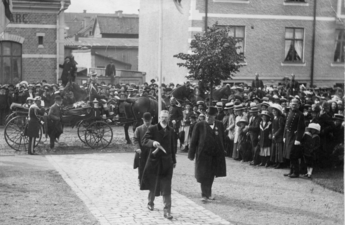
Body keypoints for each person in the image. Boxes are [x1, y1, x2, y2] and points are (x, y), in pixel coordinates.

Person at [141, 110, 176, 220]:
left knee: (166, 186)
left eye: (166, 117)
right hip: (155, 162)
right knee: (153, 184)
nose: (164, 119)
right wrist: (153, 143)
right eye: (162, 117)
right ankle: (150, 202)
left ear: (169, 118)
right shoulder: (153, 128)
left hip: (167, 163)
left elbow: (173, 147)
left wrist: (173, 160)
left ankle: (167, 211)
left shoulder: (171, 130)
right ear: (159, 118)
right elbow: (144, 140)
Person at [188, 106, 226, 202]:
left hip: (215, 155)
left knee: (211, 174)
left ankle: (208, 193)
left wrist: (223, 150)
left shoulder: (219, 125)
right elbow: (193, 141)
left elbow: (223, 138)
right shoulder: (199, 125)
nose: (208, 117)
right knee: (204, 174)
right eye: (207, 115)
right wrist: (191, 154)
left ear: (215, 116)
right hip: (203, 155)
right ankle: (204, 194)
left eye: (211, 116)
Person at [283, 98, 305, 178]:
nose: (293, 106)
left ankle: (296, 172)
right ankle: (291, 171)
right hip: (288, 136)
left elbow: (301, 128)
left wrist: (297, 139)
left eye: (295, 105)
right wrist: (284, 136)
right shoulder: (289, 113)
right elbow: (286, 126)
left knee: (293, 155)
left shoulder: (300, 115)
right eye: (292, 104)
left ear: (298, 105)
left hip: (294, 137)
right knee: (289, 154)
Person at [133, 112, 152, 184]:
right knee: (141, 166)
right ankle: (141, 181)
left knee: (151, 166)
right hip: (141, 151)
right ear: (143, 120)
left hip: (151, 150)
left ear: (151, 120)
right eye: (145, 121)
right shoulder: (139, 129)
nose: (147, 122)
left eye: (149, 121)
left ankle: (150, 181)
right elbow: (135, 139)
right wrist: (137, 148)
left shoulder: (154, 128)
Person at [270, 104, 285, 169]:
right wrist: (271, 133)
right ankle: (276, 162)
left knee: (279, 150)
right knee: (275, 150)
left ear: (278, 111)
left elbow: (281, 128)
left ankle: (280, 163)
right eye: (273, 111)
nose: (274, 112)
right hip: (274, 136)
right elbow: (273, 127)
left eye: (275, 111)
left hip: (279, 136)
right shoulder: (274, 118)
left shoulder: (280, 118)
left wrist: (275, 134)